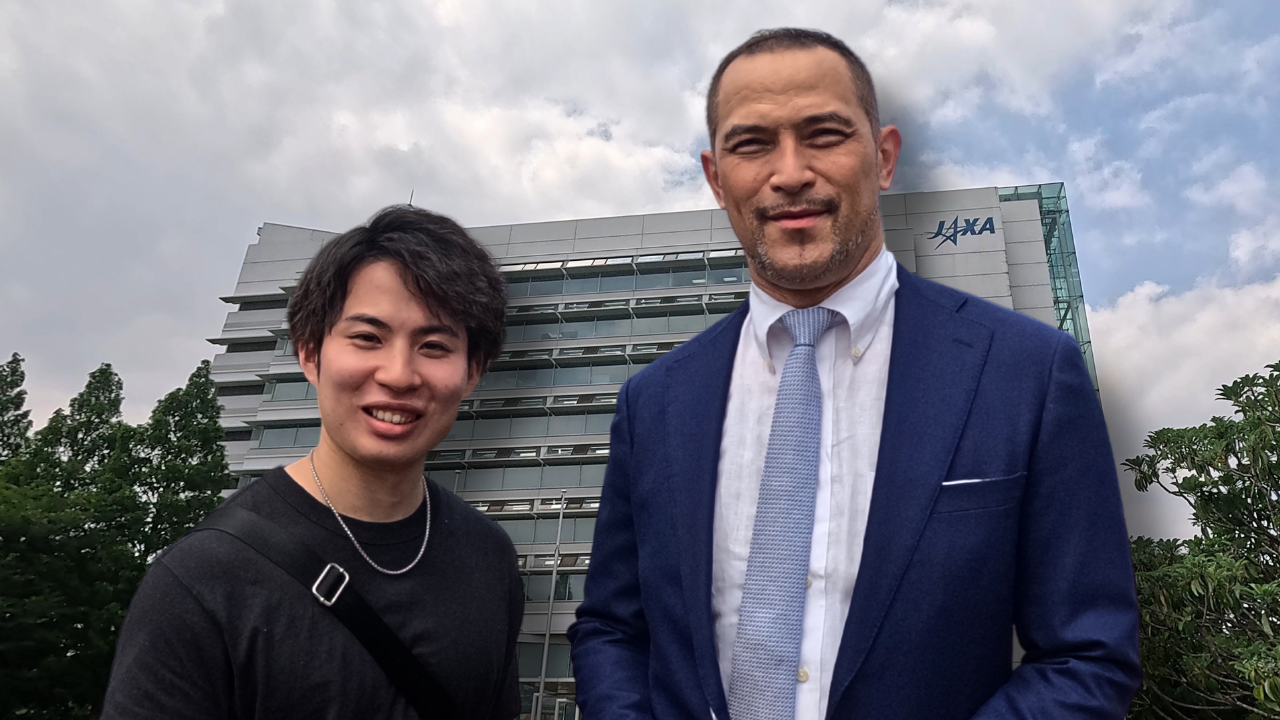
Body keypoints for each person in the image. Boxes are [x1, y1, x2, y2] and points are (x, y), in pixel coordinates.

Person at [568, 28, 1142, 720]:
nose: (790, 173)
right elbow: (613, 629)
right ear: (717, 179)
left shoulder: (1027, 372)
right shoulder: (655, 401)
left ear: (884, 157)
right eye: (752, 144)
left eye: (824, 134)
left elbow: (1087, 653)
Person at [102, 205, 522, 719]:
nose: (398, 374)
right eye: (367, 338)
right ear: (309, 353)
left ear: (473, 371)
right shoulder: (202, 577)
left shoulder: (490, 558)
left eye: (433, 345)